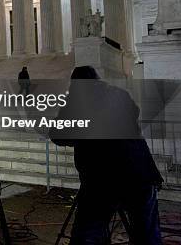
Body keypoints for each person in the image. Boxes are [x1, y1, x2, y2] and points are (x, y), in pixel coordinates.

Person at [50, 66, 163, 244]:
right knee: (147, 235)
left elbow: (58, 134)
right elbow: (134, 113)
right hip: (141, 172)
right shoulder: (119, 93)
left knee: (87, 234)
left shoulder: (77, 101)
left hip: (103, 178)